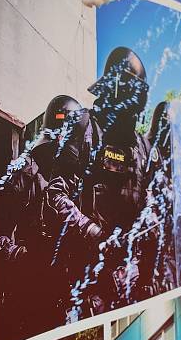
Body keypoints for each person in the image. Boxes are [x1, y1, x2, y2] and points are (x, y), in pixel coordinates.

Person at [42, 46, 151, 316]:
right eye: (128, 91)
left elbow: (147, 208)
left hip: (125, 282)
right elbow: (55, 195)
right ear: (112, 88)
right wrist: (93, 233)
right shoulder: (84, 127)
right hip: (81, 277)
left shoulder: (141, 147)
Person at [0, 95, 83, 340]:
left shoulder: (79, 180)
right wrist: (19, 255)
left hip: (63, 289)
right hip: (26, 283)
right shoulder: (26, 172)